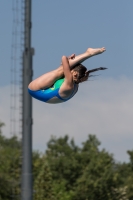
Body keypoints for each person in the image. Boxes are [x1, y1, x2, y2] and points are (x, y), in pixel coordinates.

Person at [28, 47, 106, 104]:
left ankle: (88, 53)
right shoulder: (75, 83)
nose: (68, 70)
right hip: (48, 93)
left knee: (60, 71)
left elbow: (63, 58)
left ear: (75, 73)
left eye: (71, 70)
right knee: (63, 69)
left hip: (35, 90)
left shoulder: (69, 83)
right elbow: (66, 65)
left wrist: (68, 60)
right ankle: (88, 53)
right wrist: (67, 63)